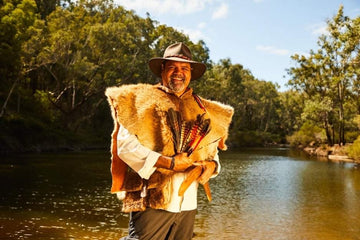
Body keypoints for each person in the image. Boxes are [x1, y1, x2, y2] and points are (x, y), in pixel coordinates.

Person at [105, 42, 234, 240]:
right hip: (152, 198)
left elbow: (212, 152)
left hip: (188, 202)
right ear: (163, 69)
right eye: (172, 67)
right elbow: (125, 147)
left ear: (190, 72)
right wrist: (170, 163)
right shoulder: (140, 101)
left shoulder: (202, 108)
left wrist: (211, 166)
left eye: (184, 68)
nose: (178, 72)